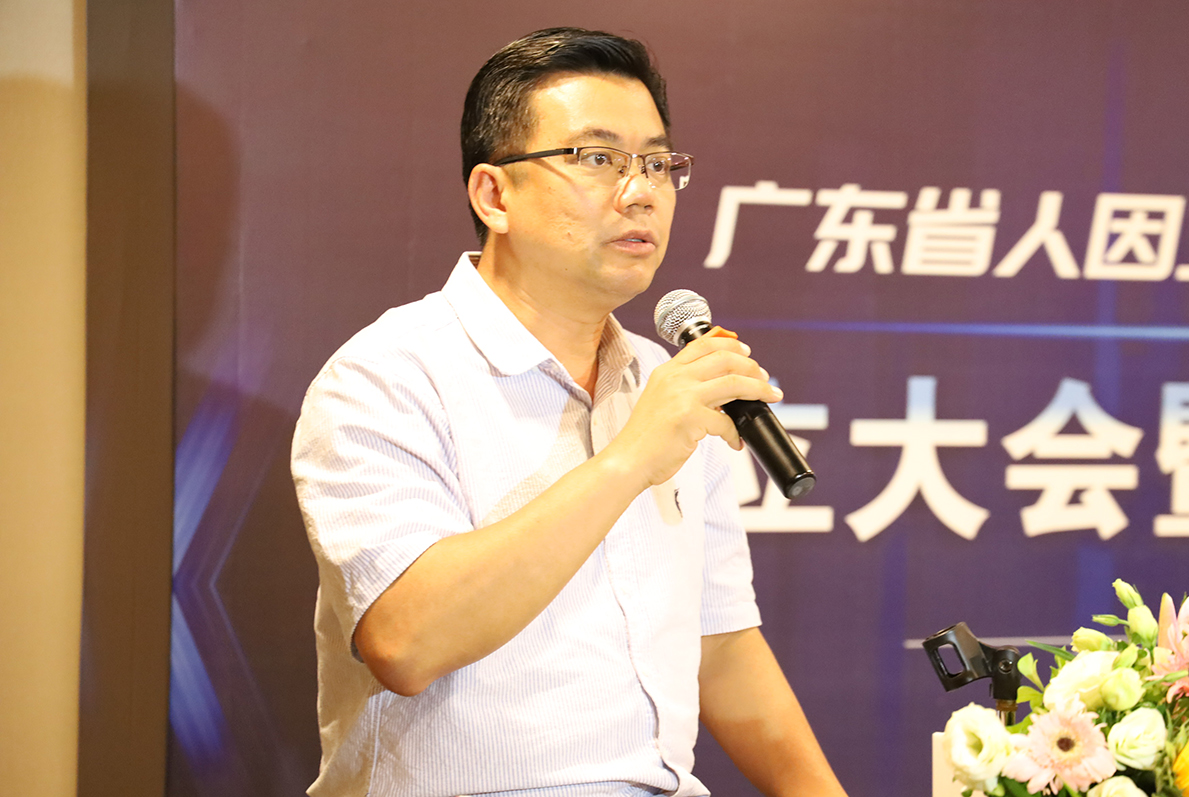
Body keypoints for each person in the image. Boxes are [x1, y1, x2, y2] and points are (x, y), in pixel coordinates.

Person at [291, 27, 848, 797]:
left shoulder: (663, 384)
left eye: (657, 163)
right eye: (597, 158)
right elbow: (406, 642)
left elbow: (719, 645)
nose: (641, 191)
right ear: (494, 195)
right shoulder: (387, 374)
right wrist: (631, 457)